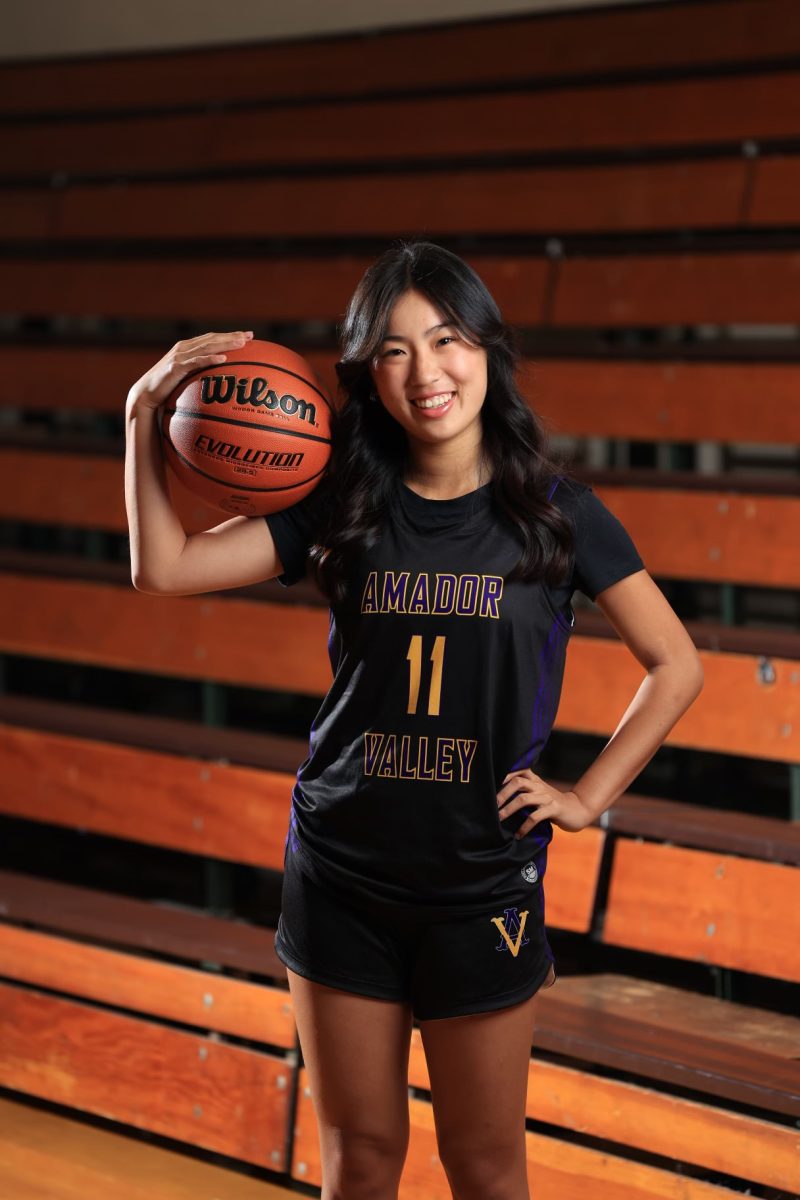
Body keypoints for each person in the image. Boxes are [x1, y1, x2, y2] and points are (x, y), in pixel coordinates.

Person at [125, 238, 704, 1200]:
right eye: (395, 351)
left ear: (487, 348)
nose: (427, 371)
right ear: (367, 375)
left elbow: (676, 663)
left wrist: (589, 795)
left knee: (484, 1168)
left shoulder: (557, 516)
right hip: (342, 870)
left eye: (447, 339)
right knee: (360, 1162)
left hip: (480, 882)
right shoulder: (339, 500)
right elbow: (165, 568)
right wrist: (144, 414)